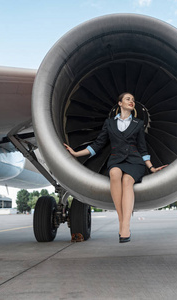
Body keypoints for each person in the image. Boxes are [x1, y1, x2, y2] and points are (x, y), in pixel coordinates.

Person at [64, 92, 167, 243]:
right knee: (114, 174)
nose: (131, 101)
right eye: (128, 99)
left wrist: (151, 168)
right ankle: (123, 221)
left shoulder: (138, 124)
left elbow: (143, 149)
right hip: (116, 160)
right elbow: (98, 144)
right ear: (120, 103)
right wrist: (76, 153)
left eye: (133, 99)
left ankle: (124, 226)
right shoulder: (109, 123)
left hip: (134, 161)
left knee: (127, 181)